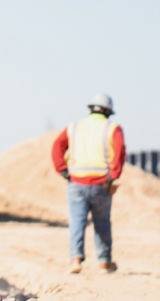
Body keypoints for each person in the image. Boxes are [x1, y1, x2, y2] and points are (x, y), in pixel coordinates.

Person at [51, 93, 126, 274]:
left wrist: (62, 170)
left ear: (90, 109)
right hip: (102, 183)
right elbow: (120, 153)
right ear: (108, 112)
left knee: (77, 221)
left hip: (76, 182)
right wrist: (113, 175)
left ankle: (75, 259)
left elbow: (57, 147)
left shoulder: (74, 127)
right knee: (102, 222)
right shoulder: (112, 128)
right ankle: (104, 263)